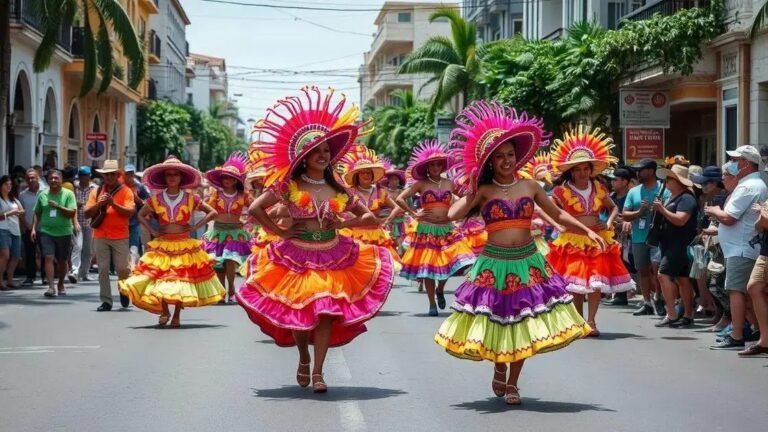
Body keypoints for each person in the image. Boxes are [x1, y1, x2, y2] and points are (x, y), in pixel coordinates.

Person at [435, 101, 604, 405]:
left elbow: (558, 214)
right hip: (493, 264)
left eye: (510, 154)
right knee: (498, 320)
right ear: (489, 161)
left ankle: (513, 382)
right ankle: (499, 366)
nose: (506, 160)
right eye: (499, 156)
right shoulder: (483, 190)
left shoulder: (530, 186)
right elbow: (451, 214)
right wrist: (472, 189)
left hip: (527, 262)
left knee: (523, 322)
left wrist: (586, 229)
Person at [236, 87, 394, 393]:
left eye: (326, 151)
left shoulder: (339, 188)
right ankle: (304, 356)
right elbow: (255, 208)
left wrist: (344, 220)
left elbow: (370, 217)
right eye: (316, 151)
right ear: (304, 156)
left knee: (324, 313)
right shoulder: (289, 185)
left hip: (334, 253)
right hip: (296, 254)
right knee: (300, 311)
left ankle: (319, 372)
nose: (323, 156)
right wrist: (280, 231)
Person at [547, 126, 634, 336]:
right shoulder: (562, 191)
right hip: (572, 241)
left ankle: (591, 321)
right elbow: (548, 210)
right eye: (577, 169)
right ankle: (578, 322)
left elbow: (613, 207)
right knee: (577, 286)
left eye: (585, 168)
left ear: (591, 169)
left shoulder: (599, 189)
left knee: (595, 284)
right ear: (571, 171)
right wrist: (557, 225)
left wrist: (610, 222)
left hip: (598, 240)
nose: (582, 172)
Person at [118, 156, 224, 327]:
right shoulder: (156, 199)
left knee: (181, 281)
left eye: (176, 174)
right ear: (164, 178)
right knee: (163, 279)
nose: (172, 177)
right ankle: (165, 310)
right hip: (163, 243)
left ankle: (176, 316)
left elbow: (212, 212)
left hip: (184, 243)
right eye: (169, 175)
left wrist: (194, 226)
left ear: (181, 177)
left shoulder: (191, 198)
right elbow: (140, 215)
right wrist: (153, 230)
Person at [396, 139, 476, 316]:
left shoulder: (450, 183)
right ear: (427, 167)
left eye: (439, 165)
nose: (436, 168)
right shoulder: (421, 184)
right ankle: (432, 303)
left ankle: (441, 289)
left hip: (446, 228)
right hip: (427, 230)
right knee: (428, 268)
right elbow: (400, 198)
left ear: (442, 166)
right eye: (432, 165)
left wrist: (473, 183)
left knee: (451, 262)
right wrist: (414, 214)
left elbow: (466, 197)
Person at [705, 145, 768, 349]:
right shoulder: (751, 184)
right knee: (747, 294)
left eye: (736, 160)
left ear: (746, 164)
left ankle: (737, 335)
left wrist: (715, 210)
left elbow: (729, 218)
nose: (733, 164)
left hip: (741, 248)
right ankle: (757, 333)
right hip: (741, 247)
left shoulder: (748, 186)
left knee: (736, 291)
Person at [84, 160, 135, 312]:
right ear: (103, 176)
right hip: (101, 235)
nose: (110, 177)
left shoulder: (126, 191)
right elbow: (87, 212)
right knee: (103, 269)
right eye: (107, 175)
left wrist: (113, 204)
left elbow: (130, 212)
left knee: (122, 269)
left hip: (120, 235)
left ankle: (124, 290)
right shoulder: (97, 191)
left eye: (113, 174)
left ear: (118, 175)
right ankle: (106, 301)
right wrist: (99, 204)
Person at [652, 165, 699, 327]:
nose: (667, 181)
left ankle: (671, 313)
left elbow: (681, 219)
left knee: (662, 275)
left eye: (670, 178)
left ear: (678, 181)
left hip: (679, 244)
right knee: (682, 279)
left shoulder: (686, 198)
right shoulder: (672, 197)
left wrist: (662, 210)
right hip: (670, 243)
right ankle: (687, 314)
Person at [337, 145, 401, 262]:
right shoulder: (349, 193)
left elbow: (398, 207)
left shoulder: (380, 192)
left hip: (377, 235)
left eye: (368, 173)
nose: (366, 175)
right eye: (362, 173)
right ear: (357, 176)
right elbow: (340, 210)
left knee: (380, 268)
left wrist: (387, 219)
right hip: (355, 235)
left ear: (372, 175)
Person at [203, 152, 252, 303]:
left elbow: (257, 208)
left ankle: (231, 288)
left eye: (230, 177)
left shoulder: (243, 195)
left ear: (236, 179)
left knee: (230, 260)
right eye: (224, 177)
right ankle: (222, 291)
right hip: (218, 232)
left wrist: (246, 220)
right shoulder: (215, 194)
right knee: (218, 264)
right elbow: (207, 208)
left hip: (235, 233)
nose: (227, 180)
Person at [623, 159, 669, 316]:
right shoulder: (633, 191)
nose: (637, 173)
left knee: (657, 270)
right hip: (638, 237)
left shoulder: (664, 189)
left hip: (658, 237)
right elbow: (625, 214)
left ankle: (659, 298)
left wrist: (661, 208)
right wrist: (639, 212)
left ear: (650, 171)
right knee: (642, 270)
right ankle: (647, 302)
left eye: (640, 170)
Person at [32, 170, 77, 297]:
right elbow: (37, 212)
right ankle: (51, 286)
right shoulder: (42, 194)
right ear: (47, 180)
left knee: (62, 261)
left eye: (56, 178)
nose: (53, 180)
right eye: (51, 178)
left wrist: (58, 207)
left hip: (64, 232)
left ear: (61, 180)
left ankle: (61, 283)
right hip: (46, 231)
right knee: (48, 257)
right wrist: (34, 228)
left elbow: (72, 212)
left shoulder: (68, 194)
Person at [603, 167, 634, 306]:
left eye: (615, 179)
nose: (612, 182)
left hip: (630, 237)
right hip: (613, 235)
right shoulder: (611, 197)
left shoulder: (632, 196)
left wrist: (627, 220)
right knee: (616, 263)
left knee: (628, 264)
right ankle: (619, 294)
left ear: (625, 181)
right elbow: (604, 215)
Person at [70, 166, 97, 282]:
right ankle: (74, 271)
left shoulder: (95, 188)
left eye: (85, 175)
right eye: (81, 175)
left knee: (88, 249)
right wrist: (77, 204)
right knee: (77, 246)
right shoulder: (73, 188)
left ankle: (84, 273)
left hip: (90, 222)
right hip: (77, 222)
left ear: (89, 176)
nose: (82, 178)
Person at [19, 169, 46, 285]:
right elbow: (21, 213)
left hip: (44, 227)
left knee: (45, 253)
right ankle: (30, 276)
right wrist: (27, 225)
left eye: (33, 177)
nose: (31, 180)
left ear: (38, 177)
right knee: (30, 253)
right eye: (28, 178)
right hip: (28, 227)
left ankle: (45, 276)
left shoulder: (46, 191)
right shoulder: (23, 195)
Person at [0, 175, 24, 290]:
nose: (8, 187)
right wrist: (9, 213)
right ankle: (0, 280)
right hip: (3, 228)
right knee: (5, 255)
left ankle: (10, 280)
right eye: (6, 184)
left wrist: (19, 212)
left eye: (10, 184)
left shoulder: (13, 199)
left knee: (15, 256)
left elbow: (21, 210)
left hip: (15, 230)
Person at [378, 157, 407, 248]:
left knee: (400, 246)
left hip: (400, 222)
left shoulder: (402, 192)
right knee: (390, 245)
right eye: (393, 179)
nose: (395, 181)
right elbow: (379, 207)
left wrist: (405, 212)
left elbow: (407, 207)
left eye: (396, 179)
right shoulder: (384, 192)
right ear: (388, 180)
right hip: (387, 222)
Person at [123, 164, 150, 258]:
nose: (129, 176)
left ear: (133, 174)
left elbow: (148, 203)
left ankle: (133, 264)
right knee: (122, 244)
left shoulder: (140, 187)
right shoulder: (120, 186)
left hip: (135, 220)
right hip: (122, 220)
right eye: (127, 173)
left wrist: (136, 198)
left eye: (131, 174)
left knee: (134, 243)